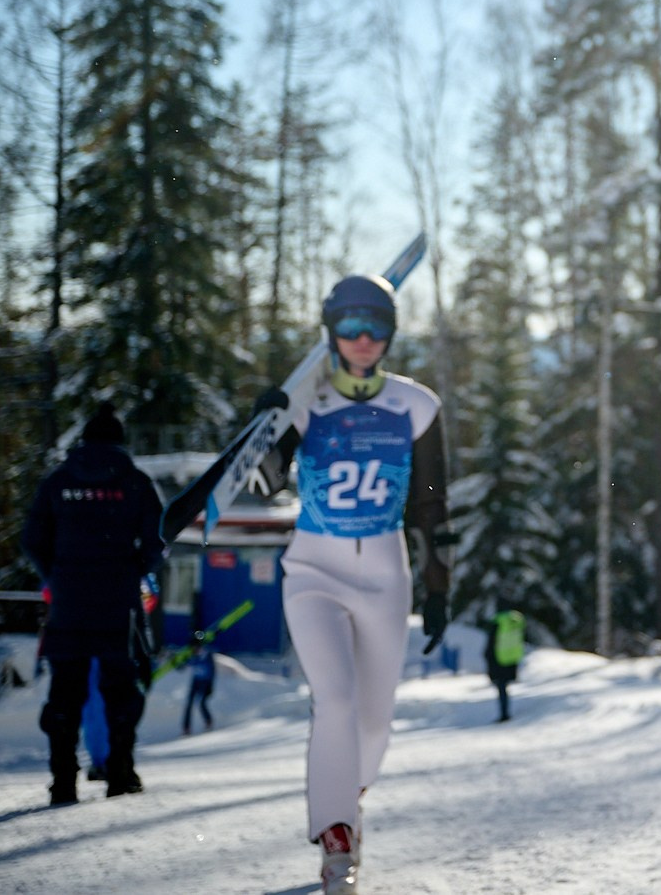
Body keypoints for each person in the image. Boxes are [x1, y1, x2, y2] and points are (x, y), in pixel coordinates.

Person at [250, 272, 451, 895]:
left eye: (377, 330)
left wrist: (441, 585)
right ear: (331, 334)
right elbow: (263, 483)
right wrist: (265, 428)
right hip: (314, 569)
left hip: (385, 572)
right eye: (351, 328)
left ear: (390, 335)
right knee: (334, 700)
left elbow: (431, 509)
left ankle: (348, 796)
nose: (364, 341)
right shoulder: (304, 402)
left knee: (375, 722)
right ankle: (337, 838)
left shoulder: (417, 407)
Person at [21, 400, 164, 805]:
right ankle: (120, 773)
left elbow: (31, 540)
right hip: (118, 606)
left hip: (67, 605)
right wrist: (133, 570)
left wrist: (57, 575)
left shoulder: (57, 481)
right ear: (120, 442)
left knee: (65, 693)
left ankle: (62, 781)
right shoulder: (135, 481)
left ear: (83, 440)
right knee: (121, 692)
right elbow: (157, 540)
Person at [486, 608, 525, 722]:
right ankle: (505, 712)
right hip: (512, 658)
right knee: (504, 686)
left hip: (499, 659)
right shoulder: (516, 620)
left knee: (501, 687)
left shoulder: (498, 623)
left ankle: (504, 714)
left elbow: (491, 645)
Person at [183, 628, 217, 734]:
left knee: (202, 703)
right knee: (189, 703)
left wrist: (210, 686)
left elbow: (212, 671)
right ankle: (186, 728)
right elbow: (181, 667)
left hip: (206, 682)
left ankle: (208, 721)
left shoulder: (207, 655)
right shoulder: (192, 656)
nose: (195, 650)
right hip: (196, 681)